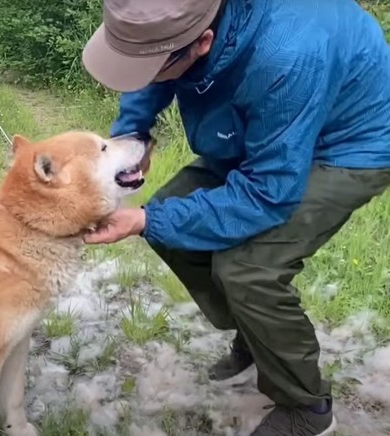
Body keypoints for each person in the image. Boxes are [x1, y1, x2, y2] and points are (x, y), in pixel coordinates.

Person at [80, 0, 390, 434]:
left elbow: (268, 192)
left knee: (247, 270)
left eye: (154, 66)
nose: (143, 74)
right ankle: (257, 334)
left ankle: (307, 407)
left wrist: (145, 219)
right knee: (175, 222)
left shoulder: (288, 51)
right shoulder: (181, 21)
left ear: (203, 42)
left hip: (344, 143)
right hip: (270, 123)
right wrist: (135, 131)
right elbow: (150, 62)